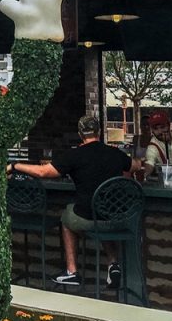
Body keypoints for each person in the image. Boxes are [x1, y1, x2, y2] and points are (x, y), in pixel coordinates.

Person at [10, 115, 133, 287]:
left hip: (90, 218)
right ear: (99, 132)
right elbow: (136, 165)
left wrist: (15, 166)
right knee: (101, 212)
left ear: (80, 134)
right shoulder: (115, 153)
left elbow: (43, 172)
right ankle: (113, 264)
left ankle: (72, 272)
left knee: (67, 217)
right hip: (116, 216)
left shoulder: (74, 155)